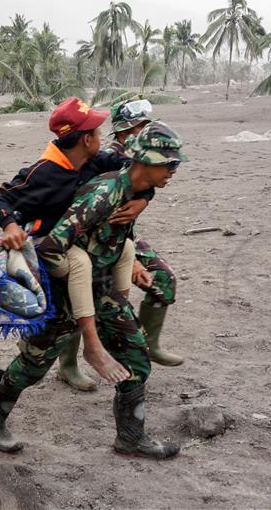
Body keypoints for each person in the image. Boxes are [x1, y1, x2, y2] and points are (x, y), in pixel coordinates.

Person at [34, 120, 187, 458]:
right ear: (146, 160)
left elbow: (119, 231)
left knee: (136, 357)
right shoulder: (103, 194)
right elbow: (50, 247)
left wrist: (127, 262)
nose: (174, 171)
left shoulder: (137, 189)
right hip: (69, 290)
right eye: (170, 163)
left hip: (104, 289)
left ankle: (130, 439)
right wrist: (75, 281)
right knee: (32, 364)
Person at [0, 97, 154, 391]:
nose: (103, 140)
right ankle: (90, 344)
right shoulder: (44, 173)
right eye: (98, 133)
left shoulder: (93, 160)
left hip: (80, 238)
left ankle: (114, 318)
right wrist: (10, 225)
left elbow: (135, 172)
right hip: (49, 244)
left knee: (125, 250)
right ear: (87, 138)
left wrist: (143, 199)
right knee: (79, 266)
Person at [104, 98, 184, 366]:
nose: (147, 132)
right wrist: (133, 261)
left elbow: (144, 184)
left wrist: (145, 197)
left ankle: (151, 344)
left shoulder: (139, 154)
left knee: (163, 278)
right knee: (84, 303)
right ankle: (69, 364)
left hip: (124, 232)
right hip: (97, 236)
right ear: (126, 131)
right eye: (142, 127)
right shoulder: (109, 159)